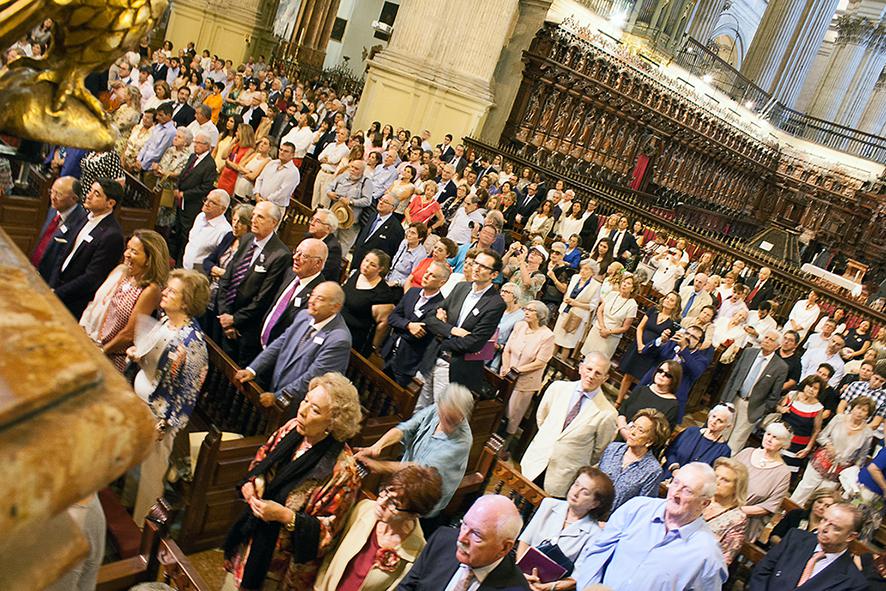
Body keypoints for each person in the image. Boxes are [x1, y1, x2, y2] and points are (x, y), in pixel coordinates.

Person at [222, 373, 364, 590]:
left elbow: (327, 532)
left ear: (333, 423)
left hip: (279, 564)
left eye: (315, 410)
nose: (303, 410)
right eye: (306, 400)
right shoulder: (291, 428)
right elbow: (261, 459)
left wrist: (284, 515)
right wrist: (251, 486)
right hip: (250, 540)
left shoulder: (343, 470)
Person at [126, 269, 210, 524]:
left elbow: (188, 391)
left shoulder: (192, 342)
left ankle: (142, 527)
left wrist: (164, 424)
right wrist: (138, 355)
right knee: (134, 462)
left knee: (151, 474)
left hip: (159, 417)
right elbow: (155, 355)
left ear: (185, 302)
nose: (164, 293)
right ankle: (126, 508)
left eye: (172, 291)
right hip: (141, 401)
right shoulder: (165, 320)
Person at [573, 462, 727, 590]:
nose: (675, 493)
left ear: (704, 503)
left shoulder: (707, 555)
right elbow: (598, 553)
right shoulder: (636, 509)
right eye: (675, 483)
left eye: (687, 490)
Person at [314, 466, 443, 591]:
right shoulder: (364, 509)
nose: (381, 503)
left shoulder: (415, 554)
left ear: (413, 515)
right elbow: (331, 554)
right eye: (385, 491)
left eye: (393, 503)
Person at [356, 384, 474, 519]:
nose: (448, 423)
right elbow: (405, 428)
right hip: (403, 488)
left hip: (423, 506)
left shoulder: (461, 443)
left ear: (463, 417)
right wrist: (377, 446)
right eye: (446, 416)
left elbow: (420, 469)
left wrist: (377, 465)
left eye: (454, 420)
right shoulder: (436, 409)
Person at [235, 281, 351, 411]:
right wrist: (253, 370)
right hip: (277, 386)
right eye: (312, 295)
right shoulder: (304, 315)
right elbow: (280, 343)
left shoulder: (339, 340)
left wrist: (278, 397)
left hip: (302, 404)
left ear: (335, 307)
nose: (312, 301)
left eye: (320, 299)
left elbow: (313, 378)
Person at [520, 352, 618, 497]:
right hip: (535, 462)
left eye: (598, 373)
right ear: (580, 368)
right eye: (589, 369)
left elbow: (598, 452)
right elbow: (542, 418)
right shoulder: (557, 388)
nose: (591, 376)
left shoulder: (607, 413)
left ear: (605, 378)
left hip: (563, 478)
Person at [417, 249, 506, 405]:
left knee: (438, 415)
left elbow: (474, 342)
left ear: (494, 274)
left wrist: (441, 338)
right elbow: (430, 317)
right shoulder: (461, 287)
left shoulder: (495, 303)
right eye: (476, 263)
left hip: (454, 365)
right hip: (432, 356)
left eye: (483, 266)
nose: (476, 268)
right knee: (418, 407)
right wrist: (452, 330)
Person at [397, 495, 529, 591]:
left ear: (504, 548)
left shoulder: (516, 588)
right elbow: (407, 587)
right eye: (464, 524)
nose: (462, 538)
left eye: (476, 534)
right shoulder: (443, 540)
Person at [79, 230, 167, 371]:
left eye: (134, 251)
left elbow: (129, 334)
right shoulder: (127, 274)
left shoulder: (150, 290)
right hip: (99, 345)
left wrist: (102, 351)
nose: (126, 254)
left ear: (149, 259)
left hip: (116, 358)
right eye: (127, 248)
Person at [216, 202, 293, 365]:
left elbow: (263, 298)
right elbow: (226, 279)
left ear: (274, 223)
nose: (254, 220)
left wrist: (234, 320)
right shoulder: (247, 239)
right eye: (254, 216)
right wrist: (224, 315)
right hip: (224, 318)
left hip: (245, 329)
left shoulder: (280, 254)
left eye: (260, 217)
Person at [516, 467, 615, 590]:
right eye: (576, 485)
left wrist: (549, 587)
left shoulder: (595, 534)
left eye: (585, 492)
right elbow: (525, 540)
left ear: (595, 503)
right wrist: (521, 572)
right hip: (520, 575)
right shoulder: (549, 504)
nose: (576, 492)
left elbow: (576, 577)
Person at [50, 179, 125, 319]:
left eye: (96, 194)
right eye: (90, 190)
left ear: (110, 203)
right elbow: (64, 252)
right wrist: (53, 284)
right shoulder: (84, 217)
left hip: (75, 302)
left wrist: (58, 293)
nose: (89, 195)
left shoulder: (112, 235)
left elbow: (92, 277)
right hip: (57, 289)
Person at [748, 503, 868, 591]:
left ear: (850, 537)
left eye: (835, 528)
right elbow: (762, 571)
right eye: (824, 520)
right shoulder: (795, 538)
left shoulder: (853, 582)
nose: (823, 528)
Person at [790, 397, 875, 505]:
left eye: (864, 410)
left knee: (823, 498)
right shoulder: (839, 419)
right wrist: (828, 445)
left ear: (868, 414)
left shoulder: (868, 433)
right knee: (804, 489)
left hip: (839, 470)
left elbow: (861, 459)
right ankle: (786, 514)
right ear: (853, 407)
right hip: (821, 461)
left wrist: (850, 475)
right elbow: (821, 436)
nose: (860, 412)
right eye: (858, 408)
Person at [499, 300, 555, 453]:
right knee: (498, 406)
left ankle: (505, 444)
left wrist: (517, 370)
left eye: (531, 310)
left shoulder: (547, 336)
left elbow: (540, 362)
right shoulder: (520, 325)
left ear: (540, 315)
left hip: (525, 381)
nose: (526, 312)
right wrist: (506, 367)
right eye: (526, 309)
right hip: (507, 374)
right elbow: (507, 349)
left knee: (513, 414)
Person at [381, 262, 449, 387]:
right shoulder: (412, 292)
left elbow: (419, 334)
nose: (426, 276)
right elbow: (392, 317)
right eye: (427, 272)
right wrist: (408, 325)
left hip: (407, 361)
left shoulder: (440, 306)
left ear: (442, 282)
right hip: (389, 351)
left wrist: (401, 325)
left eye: (432, 275)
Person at [721, 330, 790, 451]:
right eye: (766, 337)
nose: (767, 340)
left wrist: (761, 411)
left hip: (752, 407)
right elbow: (733, 377)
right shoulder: (749, 353)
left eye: (771, 340)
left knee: (736, 441)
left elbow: (774, 395)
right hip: (734, 398)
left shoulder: (780, 367)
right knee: (722, 432)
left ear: (777, 346)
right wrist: (724, 400)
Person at [259, 238, 328, 349]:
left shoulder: (319, 294)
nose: (295, 258)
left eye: (304, 256)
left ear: (318, 263)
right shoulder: (290, 273)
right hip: (259, 343)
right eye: (296, 252)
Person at [638, 324, 714, 423]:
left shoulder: (701, 359)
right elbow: (645, 352)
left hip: (670, 400)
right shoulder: (670, 344)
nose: (687, 337)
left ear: (699, 345)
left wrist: (684, 350)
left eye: (693, 337)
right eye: (687, 333)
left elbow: (696, 372)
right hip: (649, 388)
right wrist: (660, 340)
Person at [616, 290, 681, 406]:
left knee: (643, 379)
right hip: (639, 345)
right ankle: (619, 401)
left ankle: (631, 404)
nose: (668, 301)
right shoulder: (653, 310)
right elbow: (640, 327)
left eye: (671, 300)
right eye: (667, 298)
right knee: (628, 375)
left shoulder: (674, 322)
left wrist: (663, 340)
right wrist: (640, 344)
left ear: (675, 305)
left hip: (654, 352)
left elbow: (670, 341)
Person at [599, 408, 669, 511]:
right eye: (633, 426)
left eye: (640, 430)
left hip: (616, 523)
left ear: (650, 441)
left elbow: (642, 508)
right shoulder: (613, 449)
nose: (632, 432)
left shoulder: (653, 471)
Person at [733, 423, 793, 541]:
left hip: (743, 522)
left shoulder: (783, 473)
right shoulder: (747, 452)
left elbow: (768, 507)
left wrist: (734, 512)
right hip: (719, 508)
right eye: (768, 434)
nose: (769, 439)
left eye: (776, 438)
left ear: (784, 444)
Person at [341, 250, 399, 356]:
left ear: (380, 269)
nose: (366, 265)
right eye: (366, 260)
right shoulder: (357, 274)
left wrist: (374, 346)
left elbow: (382, 324)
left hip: (354, 338)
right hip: (337, 325)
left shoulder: (382, 294)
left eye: (372, 265)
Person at [171, 132, 218, 263]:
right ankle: (173, 257)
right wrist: (177, 187)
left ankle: (181, 262)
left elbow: (205, 187)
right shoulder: (193, 157)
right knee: (177, 230)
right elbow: (184, 173)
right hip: (181, 201)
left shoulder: (210, 165)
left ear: (207, 146)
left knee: (186, 234)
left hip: (192, 204)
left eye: (198, 143)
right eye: (195, 142)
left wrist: (185, 194)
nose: (195, 145)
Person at [31, 176, 88, 282]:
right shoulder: (54, 210)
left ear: (74, 199)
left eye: (59, 194)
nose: (53, 197)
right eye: (52, 191)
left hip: (50, 281)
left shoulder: (81, 222)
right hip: (34, 270)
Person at [663, 404, 734, 479]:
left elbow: (713, 476)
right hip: (668, 476)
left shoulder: (724, 451)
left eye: (720, 421)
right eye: (713, 416)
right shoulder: (690, 431)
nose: (714, 422)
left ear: (728, 426)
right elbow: (670, 450)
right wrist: (674, 468)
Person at [580, 274, 638, 360]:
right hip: (598, 328)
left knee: (599, 360)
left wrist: (608, 332)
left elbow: (625, 327)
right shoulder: (612, 294)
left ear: (633, 289)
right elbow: (600, 310)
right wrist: (602, 327)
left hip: (611, 336)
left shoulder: (632, 305)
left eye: (628, 283)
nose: (624, 284)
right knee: (586, 356)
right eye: (624, 282)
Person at [704, 457, 749, 566]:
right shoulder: (701, 497)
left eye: (725, 480)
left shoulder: (737, 519)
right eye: (716, 476)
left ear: (736, 487)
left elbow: (723, 561)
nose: (717, 482)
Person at [552, 258, 600, 359]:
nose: (583, 270)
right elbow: (567, 292)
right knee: (556, 339)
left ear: (592, 272)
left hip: (578, 316)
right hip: (564, 311)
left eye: (587, 269)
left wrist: (576, 303)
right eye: (582, 268)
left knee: (567, 343)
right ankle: (549, 361)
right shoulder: (575, 277)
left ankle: (561, 365)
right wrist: (567, 300)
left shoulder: (596, 285)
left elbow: (593, 306)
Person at [777, 375, 826, 471]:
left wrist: (808, 448)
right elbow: (777, 407)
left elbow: (816, 430)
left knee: (786, 471)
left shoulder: (818, 408)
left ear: (819, 392)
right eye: (809, 386)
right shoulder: (792, 395)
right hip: (780, 439)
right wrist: (781, 409)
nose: (811, 389)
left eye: (815, 388)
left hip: (797, 447)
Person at [767, 488, 838, 547]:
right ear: (813, 501)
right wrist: (787, 547)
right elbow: (774, 536)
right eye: (819, 502)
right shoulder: (796, 514)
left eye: (827, 506)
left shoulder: (828, 528)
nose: (821, 507)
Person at [618, 360, 681, 427]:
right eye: (660, 371)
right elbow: (622, 411)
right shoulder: (641, 390)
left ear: (674, 380)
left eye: (668, 375)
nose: (662, 375)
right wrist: (623, 429)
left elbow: (663, 432)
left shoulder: (672, 406)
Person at [182, 188, 232, 271]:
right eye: (206, 199)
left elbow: (220, 260)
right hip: (186, 269)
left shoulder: (225, 231)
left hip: (201, 276)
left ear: (223, 209)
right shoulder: (200, 216)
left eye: (213, 202)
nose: (206, 203)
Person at [353, 194, 405, 266]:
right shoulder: (372, 216)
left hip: (373, 265)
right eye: (381, 199)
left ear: (393, 208)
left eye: (386, 202)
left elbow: (390, 252)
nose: (381, 202)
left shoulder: (396, 228)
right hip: (357, 258)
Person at [252, 141, 301, 209]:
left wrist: (266, 200)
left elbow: (283, 192)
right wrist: (257, 194)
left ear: (293, 155)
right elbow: (259, 179)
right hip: (259, 201)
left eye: (286, 151)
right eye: (281, 149)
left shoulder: (293, 172)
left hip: (275, 207)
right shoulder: (272, 163)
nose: (282, 152)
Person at [386, 223, 428, 288]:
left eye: (413, 233)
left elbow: (413, 278)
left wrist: (396, 282)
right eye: (408, 231)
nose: (408, 235)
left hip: (399, 285)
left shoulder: (421, 255)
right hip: (388, 276)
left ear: (420, 238)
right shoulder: (404, 242)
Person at [308, 208, 344, 282]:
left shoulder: (333, 248)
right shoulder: (308, 237)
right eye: (312, 219)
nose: (312, 223)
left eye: (317, 221)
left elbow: (322, 273)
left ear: (328, 228)